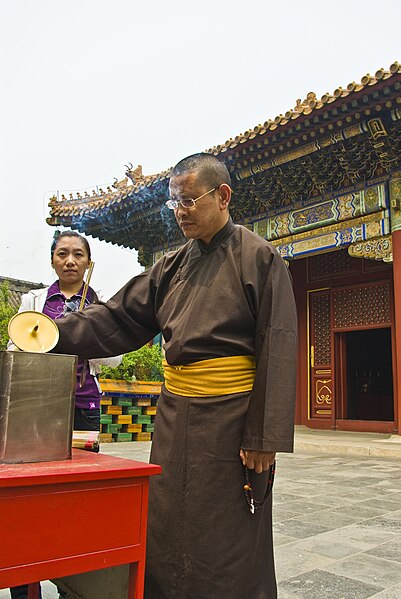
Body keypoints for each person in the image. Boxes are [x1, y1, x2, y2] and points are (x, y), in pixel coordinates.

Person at [53, 153, 298, 598]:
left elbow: (278, 343)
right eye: (173, 203)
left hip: (231, 420)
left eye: (188, 200)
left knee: (228, 534)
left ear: (222, 196)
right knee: (166, 523)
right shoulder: (170, 267)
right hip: (173, 417)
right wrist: (50, 332)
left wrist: (264, 436)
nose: (180, 211)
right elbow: (115, 318)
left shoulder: (259, 259)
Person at [9, 230, 122, 599]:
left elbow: (115, 357)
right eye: (62, 254)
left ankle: (73, 586)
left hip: (84, 408)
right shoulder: (35, 299)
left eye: (78, 254)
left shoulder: (101, 305)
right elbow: (16, 346)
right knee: (29, 496)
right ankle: (27, 585)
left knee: (78, 497)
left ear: (89, 262)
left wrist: (87, 330)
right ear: (52, 260)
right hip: (37, 410)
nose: (70, 261)